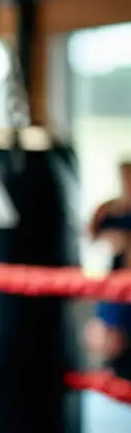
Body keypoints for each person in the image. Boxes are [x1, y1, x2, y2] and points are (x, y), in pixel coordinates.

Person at [83, 160, 131, 376]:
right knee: (106, 335)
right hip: (114, 284)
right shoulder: (107, 210)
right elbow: (89, 237)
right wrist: (111, 239)